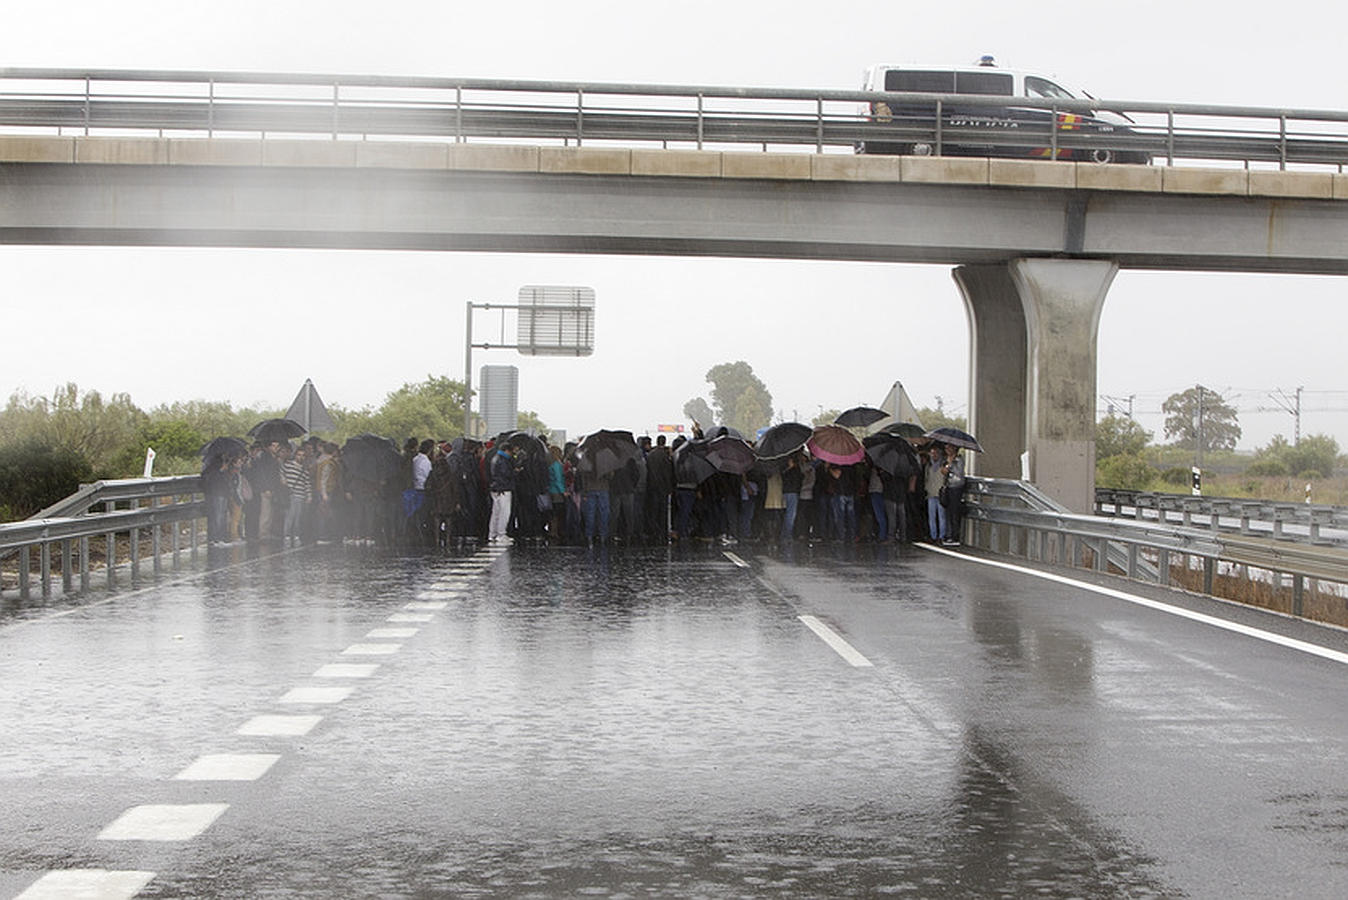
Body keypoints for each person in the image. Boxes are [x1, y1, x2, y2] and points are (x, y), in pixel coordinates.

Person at [940, 443, 967, 546]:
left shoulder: (959, 459)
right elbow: (943, 470)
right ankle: (948, 534)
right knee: (948, 511)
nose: (947, 450)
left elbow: (959, 472)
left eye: (948, 448)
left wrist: (950, 465)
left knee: (954, 511)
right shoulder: (946, 459)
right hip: (948, 486)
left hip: (957, 486)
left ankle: (955, 536)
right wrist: (945, 467)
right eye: (945, 447)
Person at [488, 443, 514, 543]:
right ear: (506, 450)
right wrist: (514, 472)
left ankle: (492, 533)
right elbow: (506, 474)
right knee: (504, 512)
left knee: (496, 512)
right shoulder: (503, 460)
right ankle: (501, 534)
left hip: (495, 488)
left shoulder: (495, 458)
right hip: (504, 488)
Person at [924, 444, 948, 543]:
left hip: (940, 493)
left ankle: (941, 535)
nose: (933, 455)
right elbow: (926, 478)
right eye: (932, 453)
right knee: (931, 516)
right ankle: (933, 535)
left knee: (941, 516)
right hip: (930, 493)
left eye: (935, 453)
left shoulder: (943, 465)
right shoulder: (928, 465)